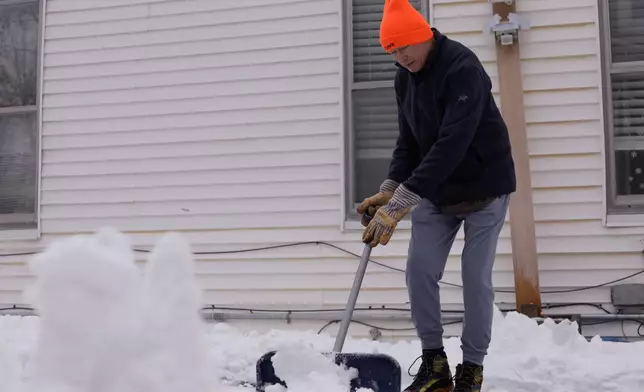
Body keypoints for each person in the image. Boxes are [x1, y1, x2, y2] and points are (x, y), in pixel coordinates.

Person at [356, 0, 517, 391]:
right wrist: (389, 190)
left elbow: (452, 143)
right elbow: (409, 142)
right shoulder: (404, 76)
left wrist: (402, 202)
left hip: (485, 189)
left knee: (474, 278)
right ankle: (435, 363)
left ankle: (472, 368)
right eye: (391, 51)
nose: (399, 56)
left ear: (421, 37)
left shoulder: (463, 69)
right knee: (420, 272)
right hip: (436, 192)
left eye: (403, 48)